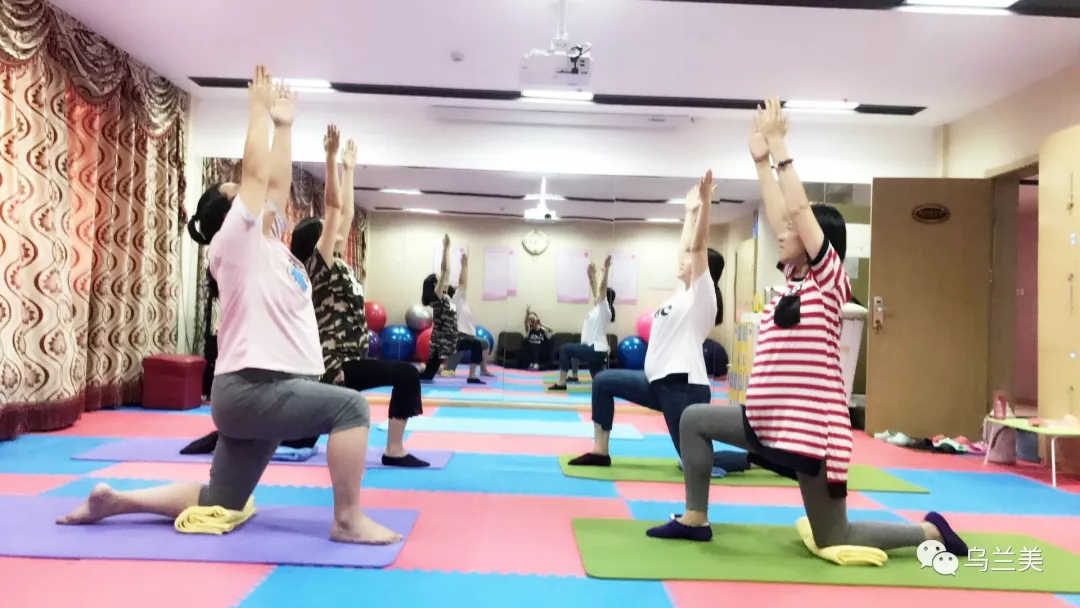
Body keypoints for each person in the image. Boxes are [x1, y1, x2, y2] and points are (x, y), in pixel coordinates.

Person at [56, 65, 401, 545]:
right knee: (351, 409)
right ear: (230, 214)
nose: (254, 196)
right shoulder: (233, 243)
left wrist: (285, 126)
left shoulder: (272, 250)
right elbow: (258, 176)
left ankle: (114, 501)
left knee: (222, 501)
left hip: (259, 392)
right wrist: (257, 112)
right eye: (239, 195)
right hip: (254, 388)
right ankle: (347, 520)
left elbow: (274, 186)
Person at [644, 98, 968, 561]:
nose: (782, 231)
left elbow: (795, 207)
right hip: (764, 421)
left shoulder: (830, 281)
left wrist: (779, 147)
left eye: (794, 230)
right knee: (694, 420)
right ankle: (695, 519)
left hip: (810, 433)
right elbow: (784, 213)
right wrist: (760, 162)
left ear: (818, 241)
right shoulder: (793, 280)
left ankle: (930, 532)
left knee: (836, 535)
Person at [566, 173, 725, 465]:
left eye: (689, 261)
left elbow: (697, 247)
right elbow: (686, 248)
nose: (683, 260)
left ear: (703, 269)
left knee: (695, 461)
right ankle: (600, 451)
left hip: (682, 387)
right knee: (603, 381)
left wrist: (705, 206)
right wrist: (689, 213)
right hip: (655, 383)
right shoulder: (682, 293)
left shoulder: (702, 296)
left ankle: (748, 459)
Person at [418, 236, 485, 383]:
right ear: (435, 285)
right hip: (441, 342)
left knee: (476, 345)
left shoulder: (448, 298)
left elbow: (462, 285)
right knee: (426, 377)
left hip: (453, 339)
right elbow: (445, 271)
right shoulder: (437, 299)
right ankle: (421, 369)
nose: (446, 281)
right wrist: (446, 248)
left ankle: (472, 376)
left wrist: (465, 266)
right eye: (440, 280)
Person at [547, 257, 615, 390]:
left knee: (565, 348)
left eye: (600, 295)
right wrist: (592, 277)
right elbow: (597, 290)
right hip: (596, 351)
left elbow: (601, 289)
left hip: (595, 349)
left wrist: (606, 269)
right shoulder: (598, 308)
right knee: (599, 381)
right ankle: (613, 387)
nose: (596, 295)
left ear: (605, 298)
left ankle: (561, 383)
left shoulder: (604, 308)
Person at [439, 251, 496, 378]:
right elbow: (462, 283)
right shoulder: (455, 300)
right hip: (460, 338)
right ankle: (427, 367)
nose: (463, 290)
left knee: (484, 343)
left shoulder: (461, 302)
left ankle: (483, 369)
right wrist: (464, 266)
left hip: (467, 337)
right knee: (448, 371)